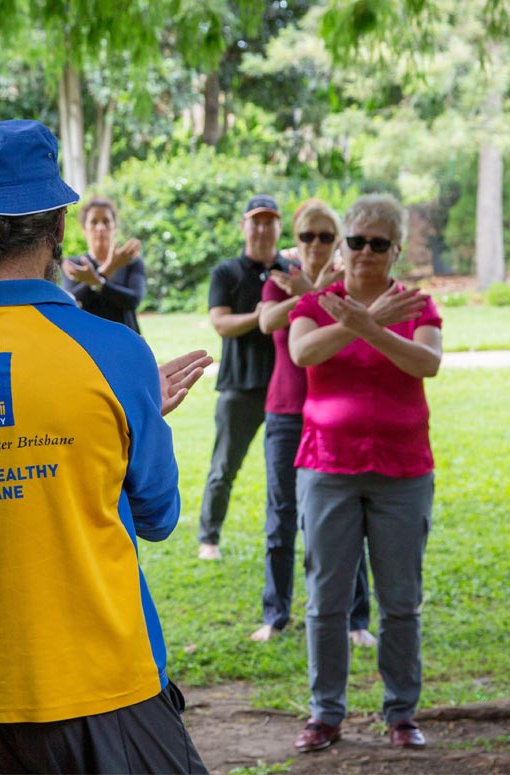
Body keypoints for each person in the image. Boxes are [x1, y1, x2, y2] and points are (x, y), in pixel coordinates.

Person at [0, 119, 211, 774]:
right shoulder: (115, 353)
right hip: (102, 681)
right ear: (59, 226)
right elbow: (157, 514)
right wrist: (135, 415)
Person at [287, 194, 440, 753]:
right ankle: (325, 714)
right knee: (326, 600)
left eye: (379, 243)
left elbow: (427, 362)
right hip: (327, 465)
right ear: (343, 245)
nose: (366, 252)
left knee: (400, 600)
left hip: (402, 469)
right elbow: (304, 354)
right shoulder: (317, 302)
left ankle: (401, 714)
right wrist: (367, 322)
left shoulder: (417, 305)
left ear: (396, 250)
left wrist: (367, 326)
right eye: (356, 241)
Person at [254, 199, 374, 648]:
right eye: (308, 236)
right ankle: (276, 614)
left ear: (338, 240)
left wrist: (320, 290)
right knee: (281, 515)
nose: (317, 244)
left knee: (345, 516)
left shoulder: (350, 285)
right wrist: (310, 292)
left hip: (335, 412)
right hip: (286, 410)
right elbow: (267, 321)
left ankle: (356, 619)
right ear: (297, 239)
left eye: (326, 236)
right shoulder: (280, 280)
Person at [198, 194, 296, 560]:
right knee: (223, 467)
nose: (262, 229)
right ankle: (208, 539)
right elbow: (221, 323)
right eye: (256, 221)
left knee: (284, 470)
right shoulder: (227, 272)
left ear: (279, 227)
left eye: (270, 222)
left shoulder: (292, 272)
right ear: (243, 226)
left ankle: (289, 537)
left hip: (285, 387)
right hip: (239, 386)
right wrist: (262, 316)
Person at [60, 197, 145, 332]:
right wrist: (108, 270)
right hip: (88, 339)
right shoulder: (74, 265)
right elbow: (71, 302)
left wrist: (96, 282)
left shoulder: (131, 261)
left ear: (115, 226)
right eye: (94, 222)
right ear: (84, 228)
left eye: (106, 221)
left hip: (126, 338)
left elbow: (133, 300)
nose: (100, 227)